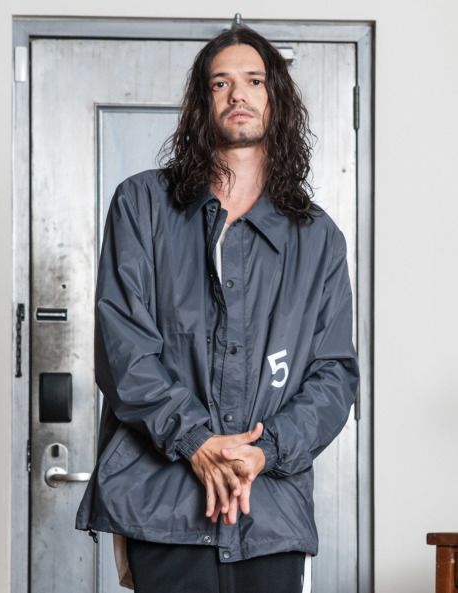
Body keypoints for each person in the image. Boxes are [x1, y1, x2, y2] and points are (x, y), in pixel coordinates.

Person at [76, 25, 360, 593]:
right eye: (220, 83)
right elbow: (124, 347)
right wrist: (196, 441)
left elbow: (333, 375)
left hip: (269, 512)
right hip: (162, 507)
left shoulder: (318, 238)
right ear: (201, 103)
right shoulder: (142, 205)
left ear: (276, 99)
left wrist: (265, 452)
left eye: (254, 81)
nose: (238, 95)